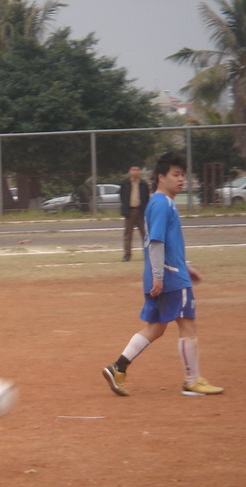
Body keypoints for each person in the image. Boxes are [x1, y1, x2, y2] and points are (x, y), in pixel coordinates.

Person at [102, 152, 224, 397]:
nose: (181, 180)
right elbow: (156, 242)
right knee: (188, 325)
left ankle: (118, 368)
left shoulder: (162, 203)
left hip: (167, 273)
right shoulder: (161, 203)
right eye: (175, 175)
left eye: (183, 175)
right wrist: (160, 276)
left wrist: (185, 266)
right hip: (170, 278)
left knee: (156, 327)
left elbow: (169, 244)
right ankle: (192, 380)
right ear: (161, 176)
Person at [119, 163, 150, 261]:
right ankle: (127, 255)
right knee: (128, 235)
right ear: (129, 171)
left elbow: (146, 198)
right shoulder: (125, 183)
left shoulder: (143, 184)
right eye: (133, 170)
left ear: (140, 171)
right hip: (129, 212)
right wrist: (125, 209)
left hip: (141, 212)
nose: (135, 172)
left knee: (145, 234)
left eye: (137, 170)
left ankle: (148, 254)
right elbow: (122, 197)